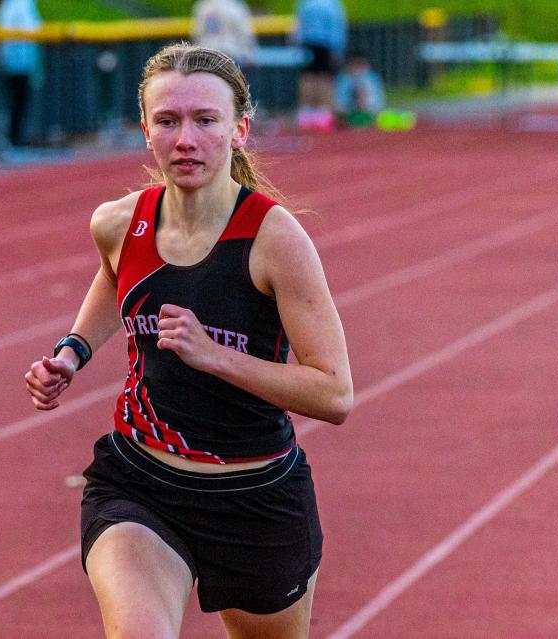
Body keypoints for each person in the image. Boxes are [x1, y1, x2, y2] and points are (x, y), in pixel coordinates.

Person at [25, 43, 352, 638]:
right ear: (145, 128)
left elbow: (334, 395)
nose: (186, 140)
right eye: (168, 121)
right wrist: (73, 350)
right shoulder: (119, 222)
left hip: (255, 495)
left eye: (205, 121)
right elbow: (114, 275)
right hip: (140, 483)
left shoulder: (275, 239)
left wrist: (215, 357)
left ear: (240, 129)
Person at [293, 0, 347, 131]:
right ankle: (323, 114)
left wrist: (296, 44)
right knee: (324, 78)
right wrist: (338, 50)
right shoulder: (333, 5)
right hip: (325, 44)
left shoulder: (305, 4)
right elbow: (337, 28)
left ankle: (305, 114)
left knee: (307, 78)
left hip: (307, 43)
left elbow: (297, 27)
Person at [0, 0, 41, 147]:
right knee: (15, 100)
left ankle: (16, 136)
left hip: (22, 59)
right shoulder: (15, 4)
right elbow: (31, 27)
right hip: (15, 60)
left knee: (20, 100)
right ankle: (13, 138)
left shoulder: (20, 4)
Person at [191, 0, 258, 67]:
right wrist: (249, 55)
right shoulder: (236, 6)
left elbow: (196, 35)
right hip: (231, 55)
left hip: (206, 56)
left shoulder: (202, 5)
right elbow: (245, 35)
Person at [334, 50, 385, 127]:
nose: (357, 68)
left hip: (370, 112)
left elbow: (378, 101)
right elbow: (338, 102)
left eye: (360, 64)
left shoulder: (373, 78)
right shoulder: (343, 78)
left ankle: (363, 120)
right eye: (354, 64)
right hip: (348, 112)